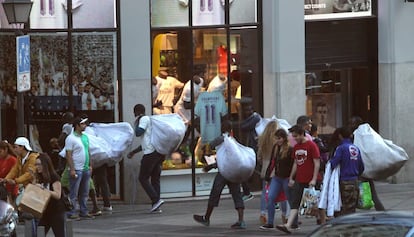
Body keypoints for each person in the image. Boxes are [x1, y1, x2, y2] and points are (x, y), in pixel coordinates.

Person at [193, 125, 246, 229]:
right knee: (237, 194)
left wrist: (211, 165)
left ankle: (206, 218)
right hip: (234, 172)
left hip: (224, 172)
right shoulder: (235, 140)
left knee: (215, 193)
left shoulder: (222, 138)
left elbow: (210, 148)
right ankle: (241, 220)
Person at [276, 125, 320, 234]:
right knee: (295, 202)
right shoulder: (296, 147)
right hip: (300, 179)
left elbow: (316, 162)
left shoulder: (311, 145)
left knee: (315, 204)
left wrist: (314, 179)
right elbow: (295, 163)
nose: (294, 138)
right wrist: (291, 177)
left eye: (296, 136)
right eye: (293, 136)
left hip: (310, 179)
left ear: (302, 134)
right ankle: (288, 225)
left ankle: (323, 222)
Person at [130, 104, 165, 213]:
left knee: (143, 178)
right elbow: (145, 143)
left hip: (150, 154)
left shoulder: (144, 119)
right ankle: (156, 205)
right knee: (155, 179)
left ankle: (156, 199)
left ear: (137, 112)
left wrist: (137, 122)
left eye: (134, 112)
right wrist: (133, 152)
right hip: (157, 153)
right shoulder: (149, 121)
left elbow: (138, 132)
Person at [348, 115, 385, 211]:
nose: (350, 125)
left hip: (359, 168)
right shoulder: (366, 134)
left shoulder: (356, 135)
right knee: (371, 191)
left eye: (352, 123)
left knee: (357, 191)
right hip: (366, 167)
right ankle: (380, 209)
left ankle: (359, 210)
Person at [260, 128, 293, 230]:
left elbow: (293, 165)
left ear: (284, 138)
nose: (278, 141)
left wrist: (292, 178)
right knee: (270, 197)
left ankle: (293, 222)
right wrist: (268, 175)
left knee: (290, 200)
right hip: (277, 177)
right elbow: (272, 162)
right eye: (276, 138)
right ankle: (270, 222)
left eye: (279, 138)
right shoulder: (276, 147)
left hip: (286, 177)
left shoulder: (290, 149)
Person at [329, 126, 364, 216]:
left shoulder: (341, 148)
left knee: (344, 207)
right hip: (355, 181)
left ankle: (346, 227)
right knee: (352, 207)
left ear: (340, 136)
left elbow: (333, 163)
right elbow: (361, 166)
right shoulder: (355, 148)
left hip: (345, 181)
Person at [64, 116, 94, 220]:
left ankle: (84, 211)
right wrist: (72, 169)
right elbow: (68, 155)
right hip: (76, 168)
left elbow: (88, 151)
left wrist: (90, 165)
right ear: (77, 125)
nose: (84, 126)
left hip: (85, 168)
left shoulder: (85, 137)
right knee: (74, 192)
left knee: (85, 192)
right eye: (82, 124)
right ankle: (72, 211)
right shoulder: (70, 138)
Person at [35, 153, 66, 237]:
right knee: (39, 233)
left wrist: (43, 188)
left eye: (39, 164)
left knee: (59, 234)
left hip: (56, 211)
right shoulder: (40, 177)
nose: (37, 167)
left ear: (45, 164)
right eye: (36, 164)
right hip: (45, 211)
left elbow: (57, 195)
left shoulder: (54, 176)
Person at [239, 99, 261, 202]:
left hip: (255, 149)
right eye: (245, 110)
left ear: (253, 110)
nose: (247, 112)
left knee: (260, 171)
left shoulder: (256, 118)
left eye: (249, 110)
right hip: (251, 149)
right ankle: (247, 192)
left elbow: (243, 126)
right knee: (245, 170)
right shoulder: (251, 118)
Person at [257, 120, 279, 224]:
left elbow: (259, 156)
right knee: (280, 192)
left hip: (264, 169)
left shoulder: (262, 138)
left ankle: (263, 213)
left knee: (264, 192)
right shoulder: (277, 140)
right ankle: (286, 215)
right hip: (274, 169)